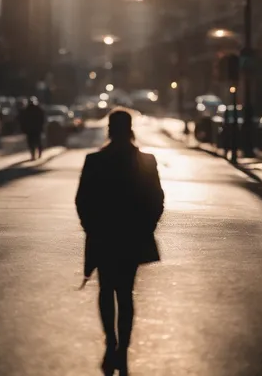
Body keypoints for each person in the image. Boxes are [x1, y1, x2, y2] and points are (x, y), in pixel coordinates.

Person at [75, 108, 164, 376]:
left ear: (110, 130)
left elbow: (82, 200)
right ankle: (123, 346)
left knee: (106, 290)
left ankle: (111, 341)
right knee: (125, 293)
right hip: (132, 237)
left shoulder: (94, 160)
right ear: (130, 129)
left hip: (103, 236)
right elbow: (157, 200)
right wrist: (146, 227)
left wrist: (91, 227)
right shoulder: (146, 161)